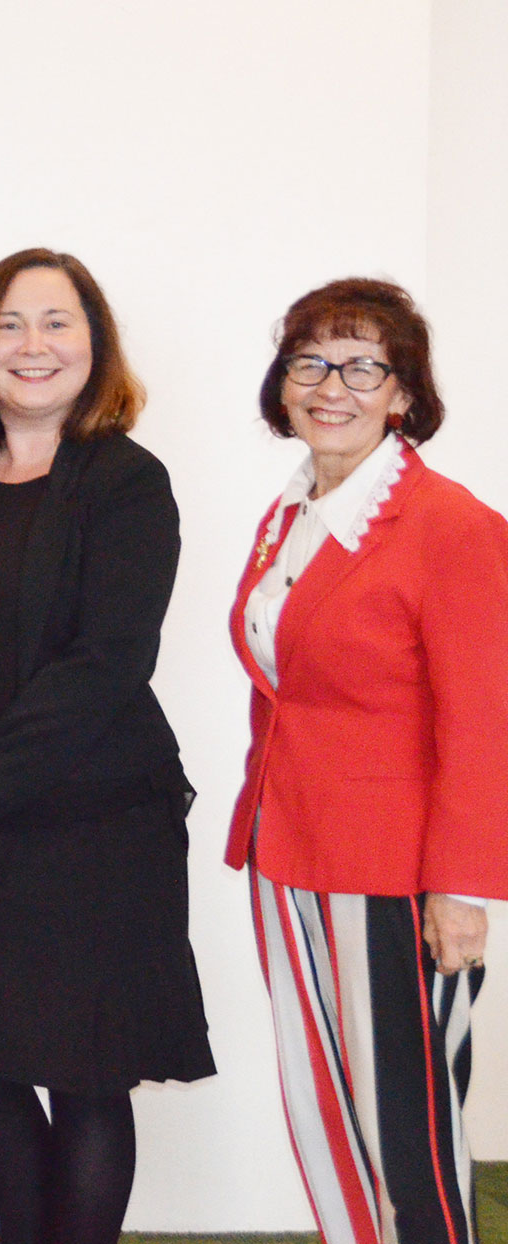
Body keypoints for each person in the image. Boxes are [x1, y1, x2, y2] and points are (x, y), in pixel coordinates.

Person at [0, 248, 213, 1244]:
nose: (32, 345)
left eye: (56, 321)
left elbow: (106, 660)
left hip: (96, 827)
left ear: (94, 343)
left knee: (83, 1076)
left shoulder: (124, 480)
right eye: (8, 323)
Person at [227, 278, 508, 1244]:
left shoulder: (453, 527)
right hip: (287, 854)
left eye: (362, 365)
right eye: (310, 362)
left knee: (407, 1141)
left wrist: (463, 888)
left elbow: (486, 721)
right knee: (326, 1122)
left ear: (403, 392)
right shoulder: (294, 515)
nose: (331, 385)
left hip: (395, 878)